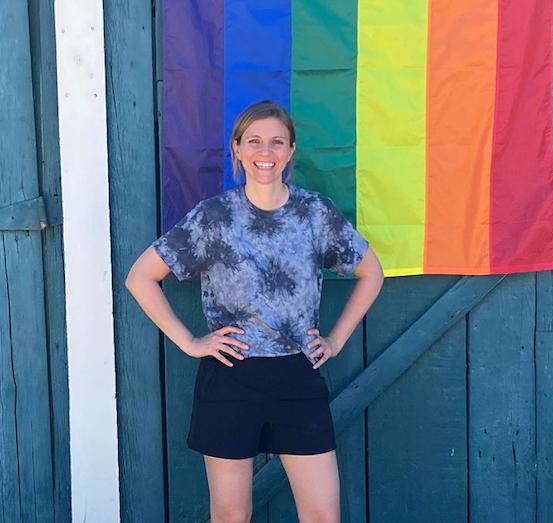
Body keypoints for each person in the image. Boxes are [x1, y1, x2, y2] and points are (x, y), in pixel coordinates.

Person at [126, 100, 384, 523]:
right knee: (230, 515)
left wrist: (335, 340)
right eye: (255, 142)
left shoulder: (314, 213)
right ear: (238, 149)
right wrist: (191, 342)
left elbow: (371, 273)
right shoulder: (213, 217)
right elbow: (140, 277)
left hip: (297, 377)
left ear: (291, 150)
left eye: (277, 142)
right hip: (230, 378)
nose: (266, 152)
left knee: (322, 515)